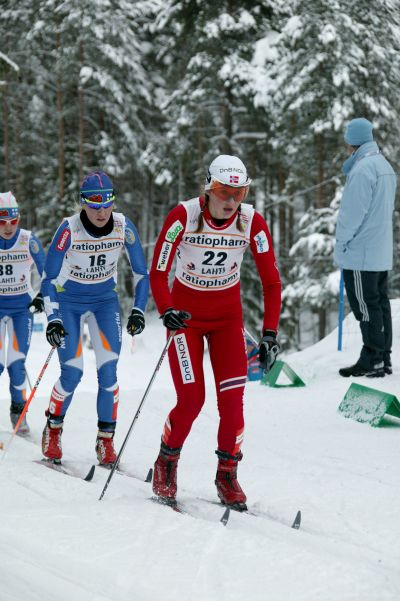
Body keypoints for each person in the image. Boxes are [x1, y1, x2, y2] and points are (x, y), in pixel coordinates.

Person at [149, 155, 281, 510]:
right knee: (192, 399)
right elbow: (158, 274)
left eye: (239, 192)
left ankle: (227, 473)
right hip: (186, 322)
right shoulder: (183, 216)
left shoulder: (251, 221)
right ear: (208, 188)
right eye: (224, 191)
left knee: (233, 405)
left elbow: (271, 281)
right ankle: (166, 462)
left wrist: (269, 334)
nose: (231, 200)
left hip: (226, 323)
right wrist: (167, 311)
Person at [41, 171, 149, 464]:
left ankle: (105, 441)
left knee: (109, 374)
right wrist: (53, 318)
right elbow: (48, 278)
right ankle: (53, 427)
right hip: (69, 302)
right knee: (73, 372)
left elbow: (141, 273)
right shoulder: (69, 229)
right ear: (83, 203)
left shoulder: (123, 226)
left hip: (104, 303)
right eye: (94, 203)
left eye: (106, 203)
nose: (101, 211)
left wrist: (138, 309)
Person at [334, 118, 397, 377]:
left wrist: (341, 244)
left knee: (365, 306)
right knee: (379, 303)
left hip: (360, 253)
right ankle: (383, 356)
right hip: (379, 250)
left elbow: (351, 215)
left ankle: (372, 357)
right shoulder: (383, 165)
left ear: (352, 141)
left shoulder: (362, 170)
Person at [0, 191, 45, 434]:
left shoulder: (28, 240)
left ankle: (18, 410)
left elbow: (49, 272)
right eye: (2, 222)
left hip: (21, 309)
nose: (8, 227)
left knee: (16, 364)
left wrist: (40, 296)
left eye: (13, 221)